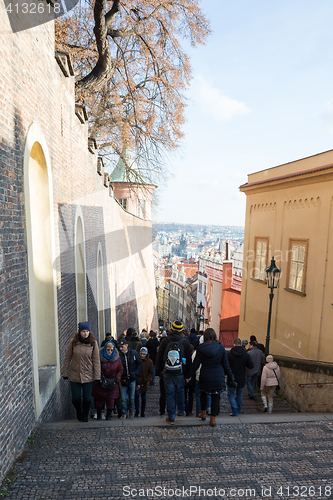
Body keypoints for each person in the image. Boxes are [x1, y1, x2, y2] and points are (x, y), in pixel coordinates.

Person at [187, 328, 235, 427]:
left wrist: (188, 375)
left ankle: (203, 413)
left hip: (205, 375)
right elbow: (226, 364)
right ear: (214, 336)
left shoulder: (201, 348)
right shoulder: (221, 348)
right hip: (218, 375)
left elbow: (196, 364)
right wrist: (231, 376)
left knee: (203, 393)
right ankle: (213, 419)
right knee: (215, 396)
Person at [62, 322, 101, 422]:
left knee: (87, 397)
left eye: (87, 331)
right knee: (76, 398)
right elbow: (67, 358)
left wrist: (97, 376)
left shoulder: (93, 343)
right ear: (80, 332)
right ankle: (79, 411)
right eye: (83, 331)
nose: (85, 333)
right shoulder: (73, 342)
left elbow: (96, 360)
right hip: (75, 374)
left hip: (88, 375)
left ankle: (85, 415)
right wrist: (64, 373)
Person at [156, 320, 192, 425]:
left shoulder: (165, 341)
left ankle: (171, 416)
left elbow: (159, 358)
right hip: (180, 372)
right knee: (180, 391)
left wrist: (159, 372)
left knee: (169, 394)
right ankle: (181, 411)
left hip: (167, 372)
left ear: (171, 329)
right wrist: (188, 374)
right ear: (181, 330)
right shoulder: (185, 342)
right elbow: (188, 359)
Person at [91, 341, 123, 420]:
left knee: (111, 400)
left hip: (113, 382)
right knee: (99, 400)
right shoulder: (100, 357)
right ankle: (99, 415)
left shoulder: (117, 359)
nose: (109, 352)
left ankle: (108, 416)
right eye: (108, 350)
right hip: (101, 382)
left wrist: (117, 379)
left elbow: (120, 369)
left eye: (111, 350)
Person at [227, 338, 254, 416]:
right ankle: (238, 409)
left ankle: (234, 409)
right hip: (241, 377)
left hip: (231, 377)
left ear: (233, 344)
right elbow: (251, 366)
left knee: (231, 394)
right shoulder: (246, 354)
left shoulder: (229, 354)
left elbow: (226, 366)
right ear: (241, 344)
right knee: (239, 394)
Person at [118, 338, 142, 418]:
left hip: (132, 378)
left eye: (122, 347)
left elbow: (139, 363)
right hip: (122, 379)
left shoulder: (133, 353)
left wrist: (135, 373)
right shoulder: (119, 355)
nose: (121, 348)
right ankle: (124, 412)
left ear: (126, 345)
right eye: (120, 347)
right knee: (124, 398)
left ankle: (131, 410)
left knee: (131, 397)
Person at [135, 347, 154, 417]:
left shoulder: (149, 362)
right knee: (136, 396)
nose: (142, 355)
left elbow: (151, 372)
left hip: (144, 382)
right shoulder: (137, 360)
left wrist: (147, 379)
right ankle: (137, 410)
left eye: (143, 354)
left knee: (143, 397)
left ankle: (142, 411)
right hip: (138, 381)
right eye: (141, 354)